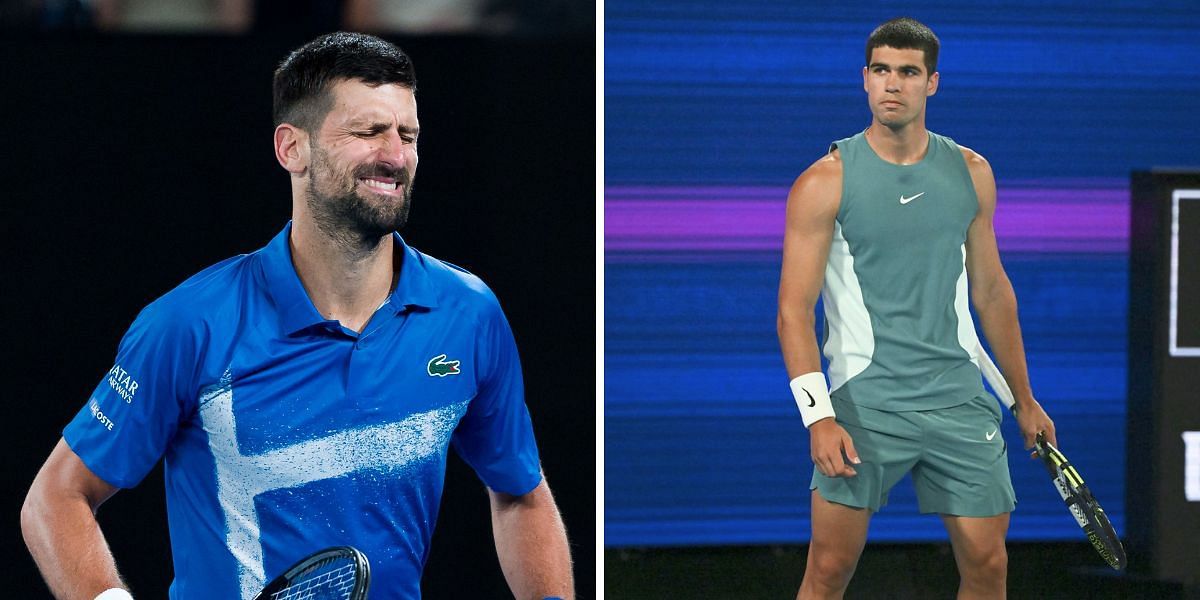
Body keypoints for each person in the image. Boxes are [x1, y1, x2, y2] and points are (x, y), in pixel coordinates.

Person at [20, 32, 573, 600]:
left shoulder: (470, 314)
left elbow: (519, 493)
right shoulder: (190, 325)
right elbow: (55, 499)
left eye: (408, 135)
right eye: (368, 132)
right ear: (292, 149)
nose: (396, 154)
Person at [776, 17, 1056, 599]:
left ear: (932, 83)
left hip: (958, 400)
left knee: (989, 564)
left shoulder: (972, 173)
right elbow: (793, 310)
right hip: (864, 405)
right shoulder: (823, 182)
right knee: (828, 573)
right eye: (881, 71)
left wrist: (1023, 399)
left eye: (907, 72)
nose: (892, 85)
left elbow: (993, 292)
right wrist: (817, 416)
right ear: (864, 79)